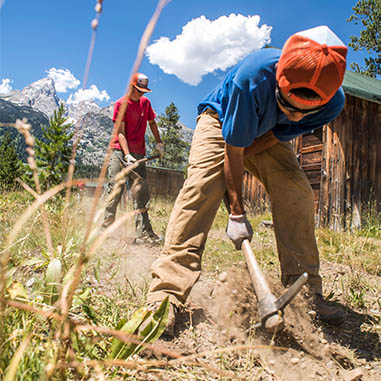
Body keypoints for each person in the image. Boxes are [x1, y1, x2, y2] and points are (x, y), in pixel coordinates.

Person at [145, 26, 349, 337]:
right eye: (289, 105)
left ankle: (306, 292)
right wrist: (236, 212)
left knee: (295, 190)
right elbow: (234, 148)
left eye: (303, 113)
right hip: (220, 121)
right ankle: (166, 294)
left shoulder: (333, 104)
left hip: (266, 134)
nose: (296, 117)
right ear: (279, 80)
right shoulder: (251, 78)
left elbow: (267, 140)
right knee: (201, 188)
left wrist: (234, 184)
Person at [102, 73, 164, 244]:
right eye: (139, 91)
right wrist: (127, 154)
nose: (141, 94)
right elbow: (120, 132)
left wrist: (159, 143)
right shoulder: (121, 104)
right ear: (131, 87)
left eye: (144, 91)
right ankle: (106, 230)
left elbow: (152, 123)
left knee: (140, 194)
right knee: (115, 189)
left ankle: (144, 234)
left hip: (139, 153)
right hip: (119, 152)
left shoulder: (146, 103)